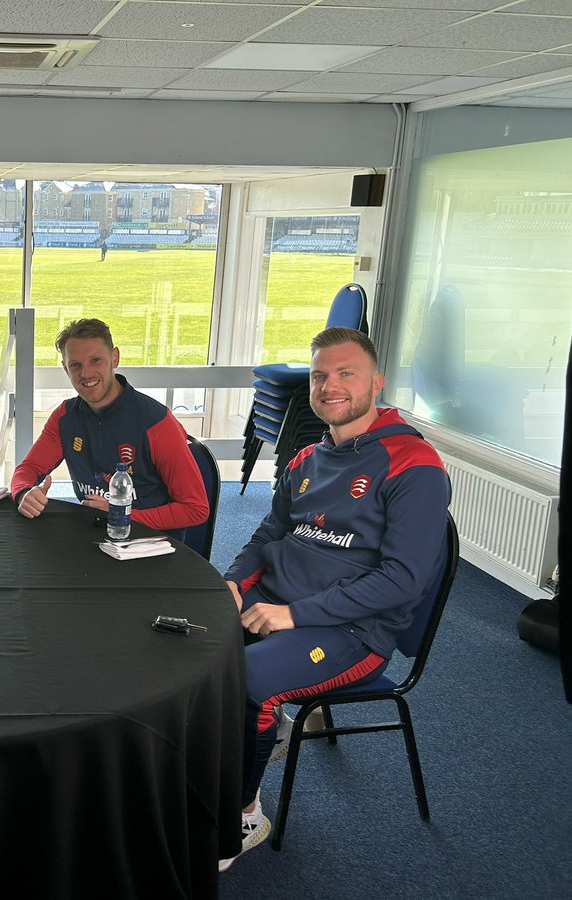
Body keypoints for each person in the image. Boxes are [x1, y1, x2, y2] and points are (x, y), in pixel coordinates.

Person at [218, 327, 451, 871]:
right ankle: (225, 757)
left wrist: (293, 615)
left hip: (352, 633)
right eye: (321, 375)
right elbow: (267, 536)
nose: (331, 386)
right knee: (186, 645)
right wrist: (233, 582)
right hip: (276, 603)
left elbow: (402, 581)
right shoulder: (306, 459)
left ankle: (243, 814)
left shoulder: (414, 465)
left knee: (246, 683)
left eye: (347, 373)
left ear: (377, 381)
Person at [10, 318, 209, 538]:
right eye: (76, 365)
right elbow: (28, 469)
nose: (85, 374)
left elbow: (195, 509)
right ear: (66, 369)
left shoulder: (158, 422)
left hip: (150, 545)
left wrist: (120, 513)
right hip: (96, 534)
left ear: (114, 358)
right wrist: (23, 493)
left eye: (96, 360)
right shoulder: (64, 417)